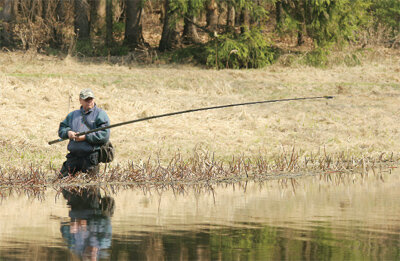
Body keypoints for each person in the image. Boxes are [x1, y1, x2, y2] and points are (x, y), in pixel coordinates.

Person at [58, 89, 110, 178]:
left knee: (91, 188)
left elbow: (104, 135)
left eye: (91, 99)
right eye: (86, 99)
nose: (89, 101)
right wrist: (68, 133)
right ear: (80, 100)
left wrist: (85, 137)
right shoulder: (72, 115)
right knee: (61, 182)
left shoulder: (100, 114)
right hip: (73, 156)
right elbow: (62, 129)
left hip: (90, 157)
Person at [61, 186, 115, 260]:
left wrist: (70, 227)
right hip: (92, 205)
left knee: (65, 184)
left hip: (74, 205)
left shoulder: (74, 245)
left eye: (87, 257)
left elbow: (63, 228)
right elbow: (106, 221)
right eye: (91, 258)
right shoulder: (103, 242)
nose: (90, 255)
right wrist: (87, 222)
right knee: (89, 189)